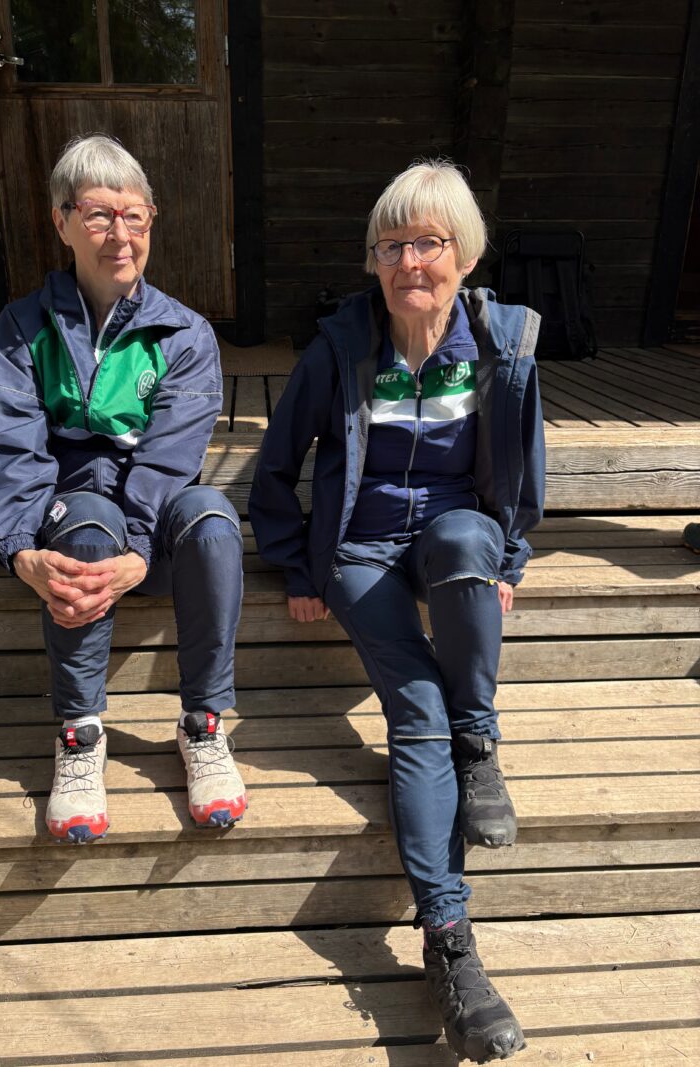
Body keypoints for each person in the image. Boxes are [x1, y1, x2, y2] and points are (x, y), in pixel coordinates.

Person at [249, 160, 545, 1062]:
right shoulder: (341, 348)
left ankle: (479, 741)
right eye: (391, 245)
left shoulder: (503, 345)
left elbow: (522, 475)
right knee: (416, 708)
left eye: (428, 242)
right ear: (373, 260)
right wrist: (297, 562)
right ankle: (450, 943)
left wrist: (507, 559)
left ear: (465, 254)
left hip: (452, 535)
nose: (409, 261)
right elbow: (273, 467)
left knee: (463, 541)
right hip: (361, 549)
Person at [0, 134, 246, 842]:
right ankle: (79, 733)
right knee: (90, 517)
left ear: (151, 221)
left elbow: (171, 458)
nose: (120, 234)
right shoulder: (23, 328)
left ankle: (203, 722)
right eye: (97, 214)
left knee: (213, 516)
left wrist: (143, 549)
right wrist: (19, 549)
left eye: (135, 215)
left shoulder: (183, 333)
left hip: (151, 528)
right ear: (61, 222)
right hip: (68, 528)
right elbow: (11, 447)